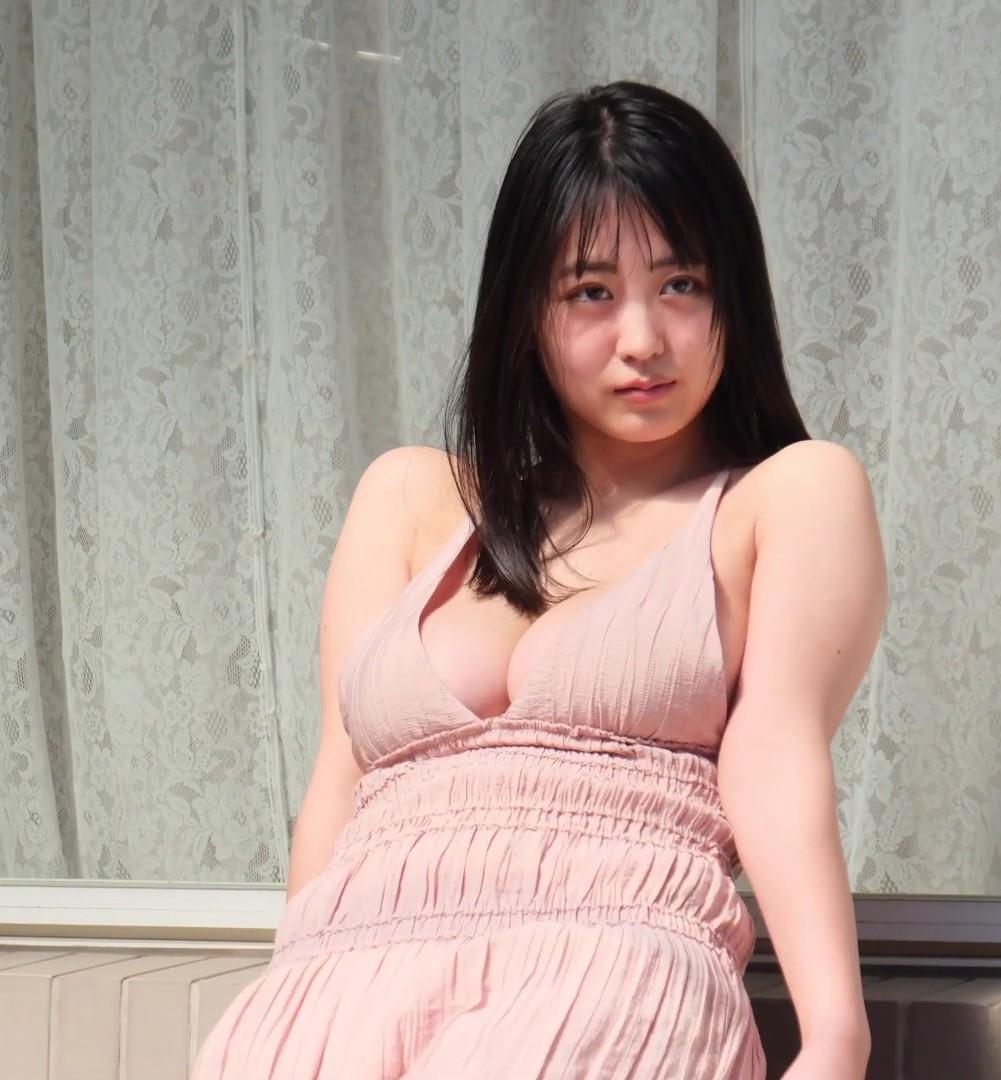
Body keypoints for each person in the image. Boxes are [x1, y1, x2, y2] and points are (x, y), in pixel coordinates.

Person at [192, 80, 885, 1080]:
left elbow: (774, 756)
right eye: (591, 292)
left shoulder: (785, 498)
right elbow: (339, 781)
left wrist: (834, 1039)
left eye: (683, 284)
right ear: (525, 313)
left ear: (734, 296)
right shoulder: (412, 499)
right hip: (339, 981)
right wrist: (290, 995)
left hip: (606, 976)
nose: (643, 339)